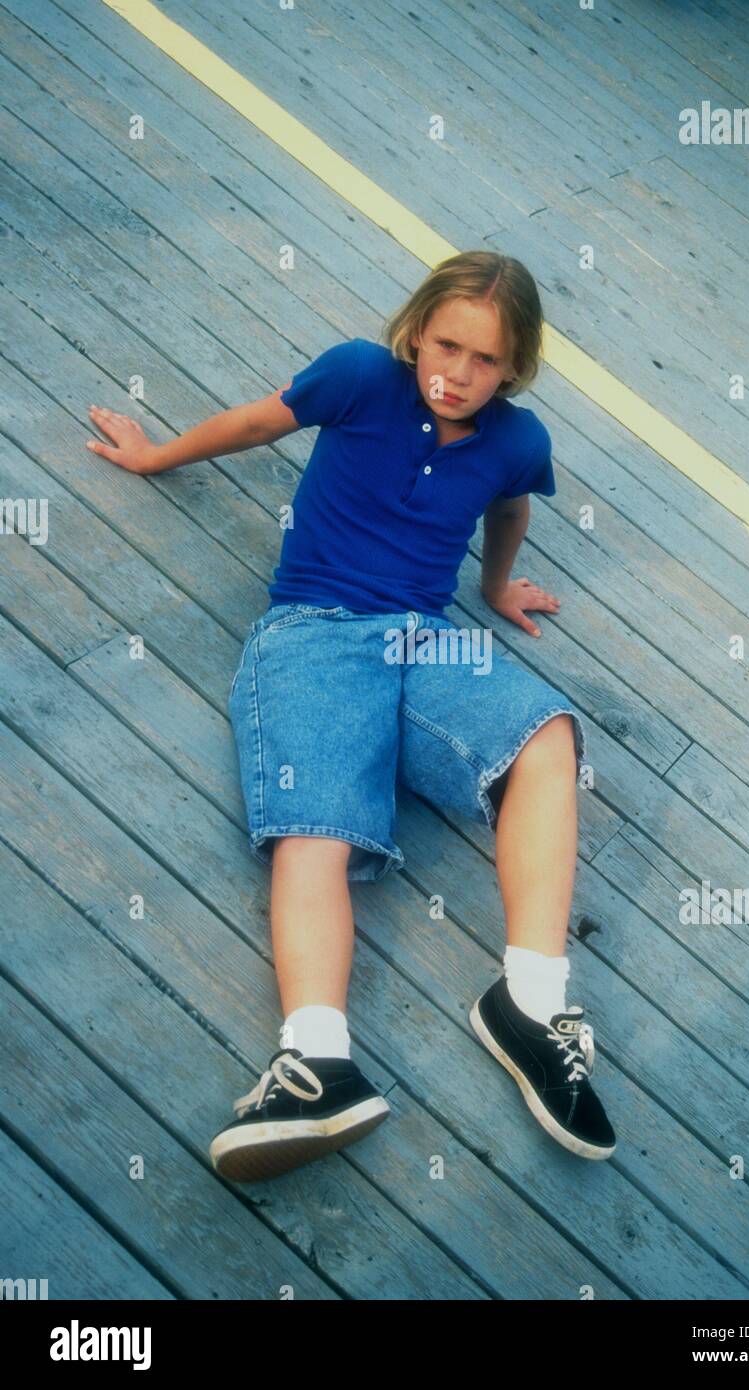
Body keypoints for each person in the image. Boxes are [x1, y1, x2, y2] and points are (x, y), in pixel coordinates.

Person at [85, 251, 616, 1183]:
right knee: (318, 826)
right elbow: (257, 422)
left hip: (422, 637)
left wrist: (492, 590)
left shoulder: (516, 440)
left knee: (548, 734)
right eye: (445, 346)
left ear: (515, 369)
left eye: (485, 361)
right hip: (316, 631)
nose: (457, 372)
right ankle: (318, 1063)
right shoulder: (359, 376)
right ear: (415, 334)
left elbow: (508, 508)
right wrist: (155, 454)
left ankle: (530, 1003)